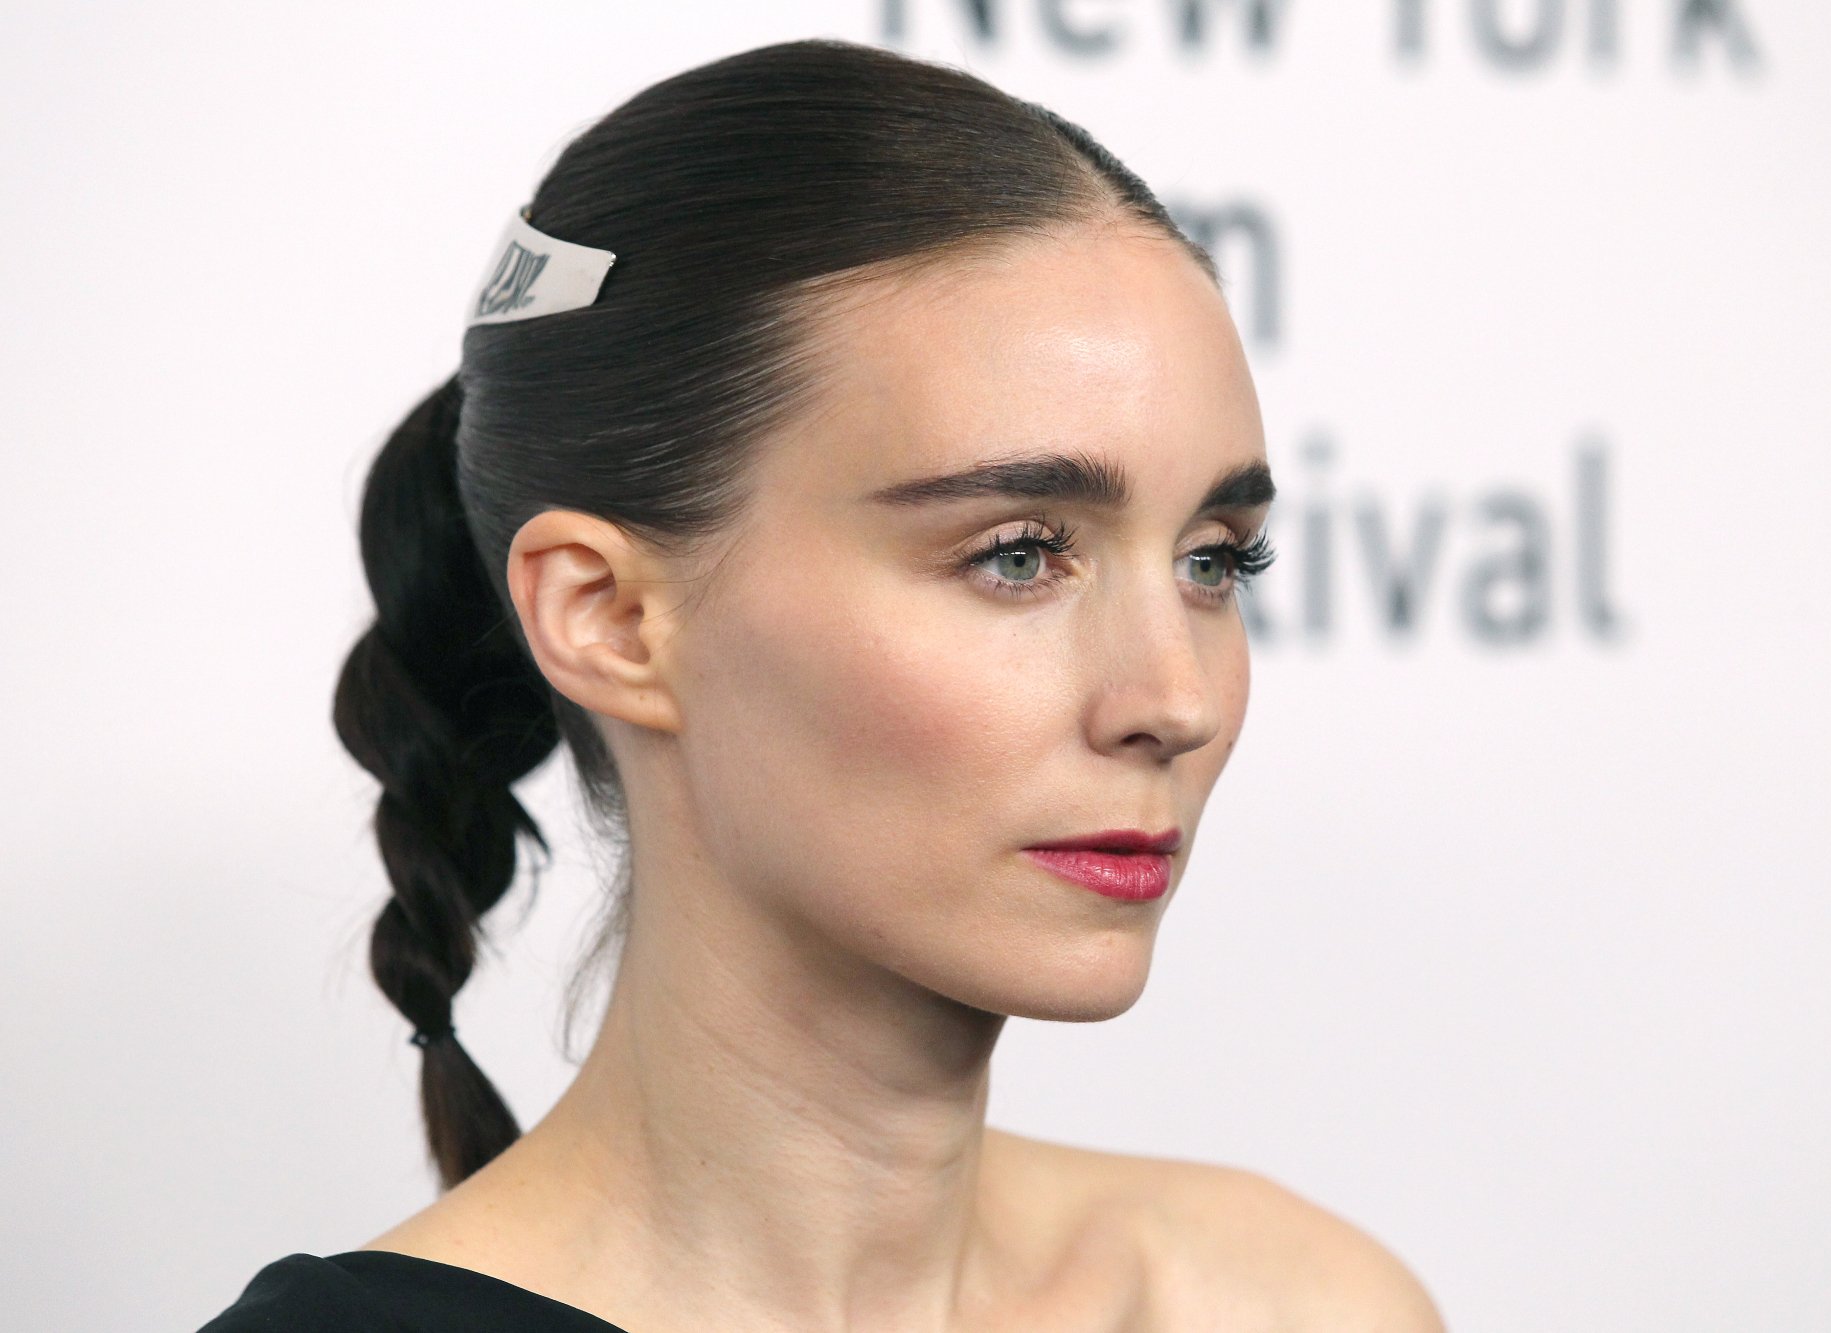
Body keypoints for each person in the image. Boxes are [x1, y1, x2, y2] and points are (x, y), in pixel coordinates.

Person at [198, 37, 1444, 1332]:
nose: (1174, 700)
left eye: (1212, 560)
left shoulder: (1295, 1303)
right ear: (609, 616)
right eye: (1018, 554)